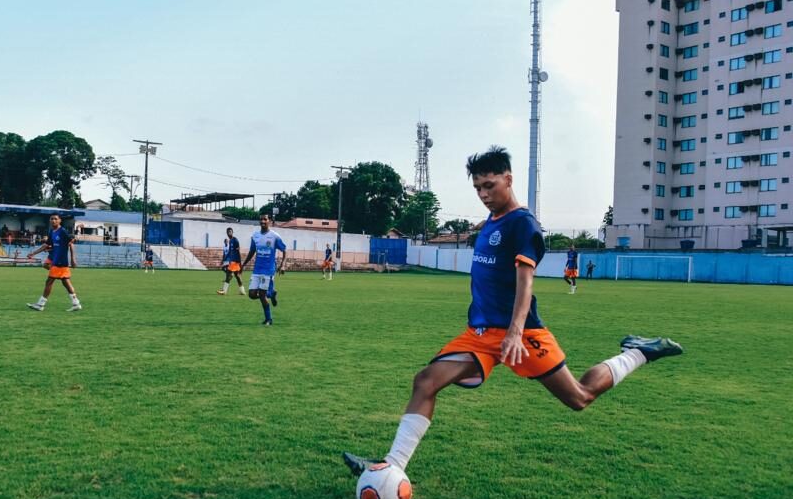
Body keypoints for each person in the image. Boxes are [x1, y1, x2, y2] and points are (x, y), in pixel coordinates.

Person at [342, 146, 683, 480]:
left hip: (522, 334)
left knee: (579, 398)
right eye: (477, 188)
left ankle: (637, 352)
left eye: (489, 185)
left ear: (509, 179)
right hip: (480, 335)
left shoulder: (524, 225)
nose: (483, 194)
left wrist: (515, 332)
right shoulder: (491, 222)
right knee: (425, 381)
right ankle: (392, 464)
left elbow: (525, 282)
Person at [26, 214, 82, 312]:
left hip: (60, 261)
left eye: (55, 219)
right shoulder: (52, 232)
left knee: (49, 282)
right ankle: (76, 303)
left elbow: (71, 243)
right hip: (57, 260)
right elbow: (46, 245)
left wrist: (73, 259)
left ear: (60, 220)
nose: (53, 221)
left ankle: (40, 304)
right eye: (52, 219)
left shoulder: (63, 231)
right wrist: (33, 253)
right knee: (66, 282)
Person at [241, 214, 287, 325]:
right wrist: (243, 264)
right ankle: (271, 294)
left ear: (269, 221)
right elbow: (252, 251)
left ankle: (268, 319)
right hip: (257, 270)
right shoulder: (255, 236)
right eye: (261, 219)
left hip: (268, 270)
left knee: (262, 295)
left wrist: (283, 265)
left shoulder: (275, 236)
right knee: (252, 294)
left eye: (265, 219)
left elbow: (284, 250)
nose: (263, 221)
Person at [217, 227, 245, 295]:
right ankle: (242, 291)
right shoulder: (230, 241)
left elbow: (238, 252)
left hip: (235, 261)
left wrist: (240, 263)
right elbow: (229, 252)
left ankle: (224, 290)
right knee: (237, 276)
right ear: (227, 233)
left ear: (232, 232)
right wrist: (223, 260)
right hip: (232, 261)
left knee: (228, 275)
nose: (229, 233)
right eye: (228, 232)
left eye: (230, 231)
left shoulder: (235, 240)